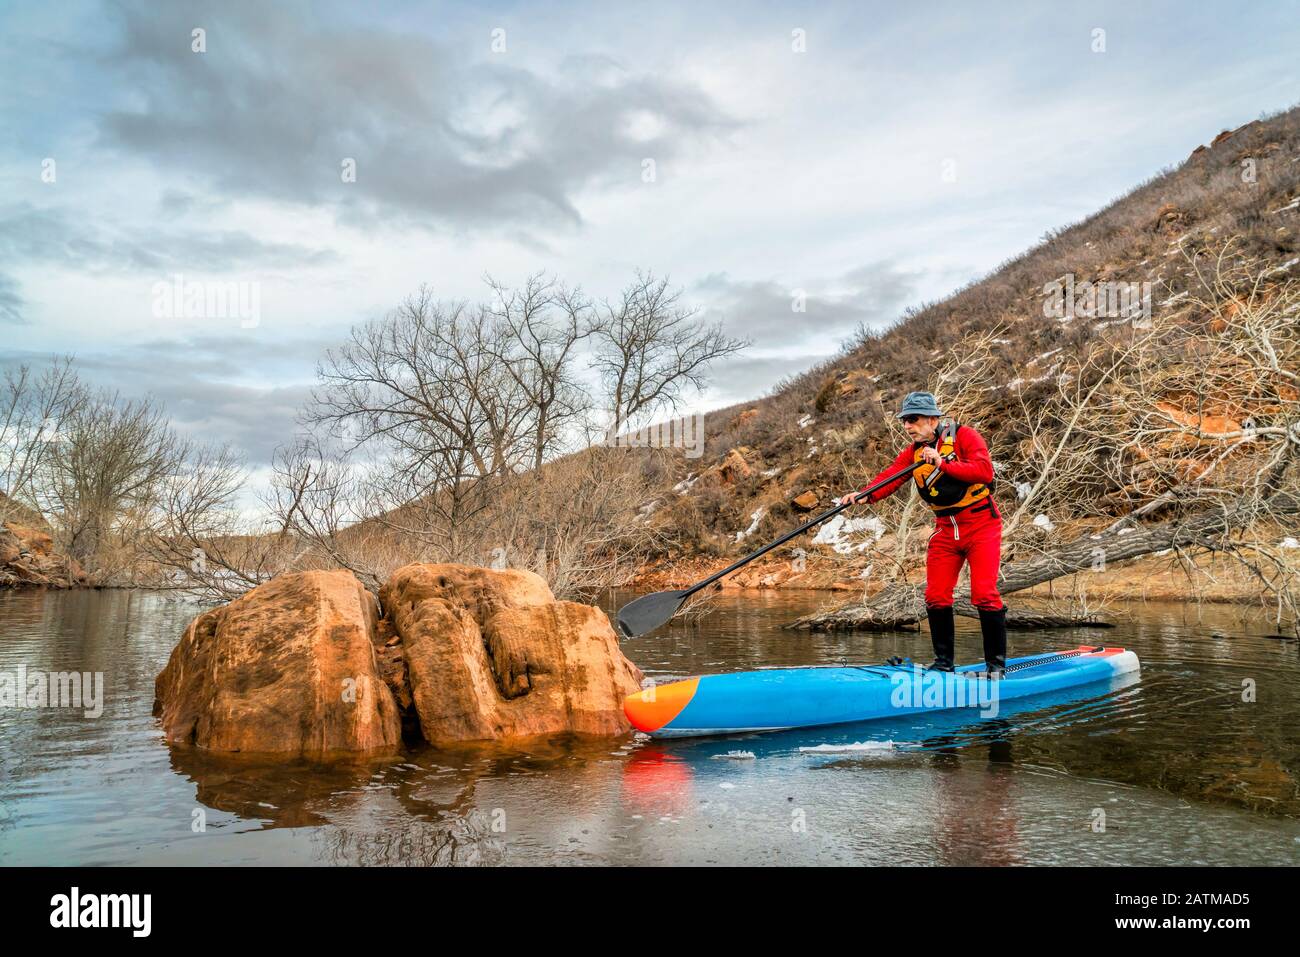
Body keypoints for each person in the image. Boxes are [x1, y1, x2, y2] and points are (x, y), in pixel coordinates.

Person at [837, 391, 1007, 676]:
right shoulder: (913, 453)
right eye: (905, 420)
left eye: (913, 419)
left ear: (932, 419)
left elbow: (984, 472)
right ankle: (944, 665)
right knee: (936, 596)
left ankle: (996, 668)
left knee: (984, 594)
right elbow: (890, 476)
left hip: (981, 526)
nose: (907, 426)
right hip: (944, 530)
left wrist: (942, 462)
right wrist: (865, 495)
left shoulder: (965, 437)